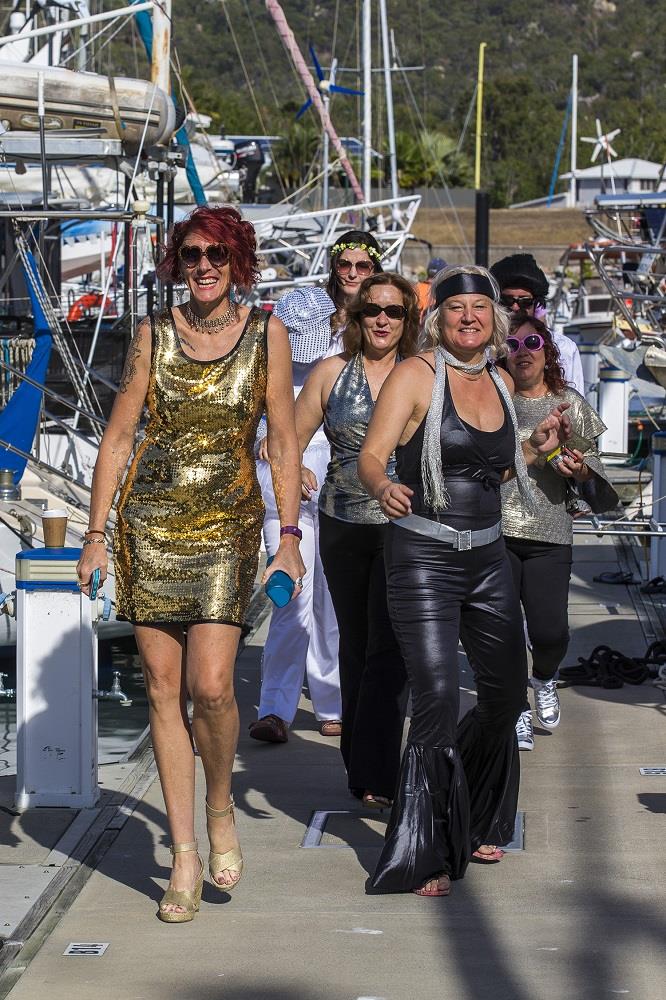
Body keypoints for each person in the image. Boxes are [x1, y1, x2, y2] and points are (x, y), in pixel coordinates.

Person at [76, 205, 305, 923]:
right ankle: (182, 854)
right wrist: (96, 533)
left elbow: (283, 440)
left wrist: (290, 536)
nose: (203, 266)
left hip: (227, 526)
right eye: (190, 255)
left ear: (238, 260)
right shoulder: (152, 335)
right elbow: (118, 437)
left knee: (212, 688)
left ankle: (219, 805)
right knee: (161, 691)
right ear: (177, 263)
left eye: (216, 254)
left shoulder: (268, 333)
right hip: (151, 522)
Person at [358, 264, 572, 897]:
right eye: (457, 309)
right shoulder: (416, 374)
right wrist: (383, 485)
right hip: (422, 558)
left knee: (506, 695)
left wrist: (536, 449)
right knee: (436, 698)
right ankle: (424, 848)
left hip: (486, 557)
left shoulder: (503, 381)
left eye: (481, 308)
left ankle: (472, 805)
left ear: (496, 319)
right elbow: (373, 455)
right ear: (438, 318)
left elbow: (495, 475)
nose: (470, 317)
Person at [295, 273, 419, 808]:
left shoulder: (422, 373)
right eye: (372, 311)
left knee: (392, 647)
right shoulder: (329, 373)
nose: (383, 320)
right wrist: (295, 467)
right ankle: (359, 762)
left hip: (405, 523)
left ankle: (379, 771)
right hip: (343, 523)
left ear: (408, 320)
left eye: (394, 311)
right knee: (356, 641)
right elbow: (284, 442)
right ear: (356, 317)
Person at [501, 312, 618, 751]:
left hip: (550, 528)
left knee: (551, 631)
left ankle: (544, 677)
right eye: (511, 346)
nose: (522, 353)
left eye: (531, 344)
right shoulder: (492, 399)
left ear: (546, 350)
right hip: (496, 527)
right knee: (504, 628)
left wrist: (576, 465)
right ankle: (515, 708)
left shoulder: (568, 401)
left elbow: (595, 470)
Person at [250, 287, 342, 744]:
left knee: (331, 604)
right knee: (291, 600)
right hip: (281, 500)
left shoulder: (342, 363)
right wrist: (271, 448)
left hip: (340, 496)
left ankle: (331, 700)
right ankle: (275, 708)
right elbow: (250, 429)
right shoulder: (265, 364)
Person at [490, 253, 585, 396]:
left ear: (536, 305)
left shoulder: (564, 347)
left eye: (525, 302)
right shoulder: (483, 347)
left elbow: (577, 401)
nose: (515, 307)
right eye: (507, 301)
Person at [326, 229, 384, 350]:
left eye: (363, 266)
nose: (352, 274)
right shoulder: (316, 310)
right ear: (334, 267)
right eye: (344, 265)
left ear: (374, 270)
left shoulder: (381, 318)